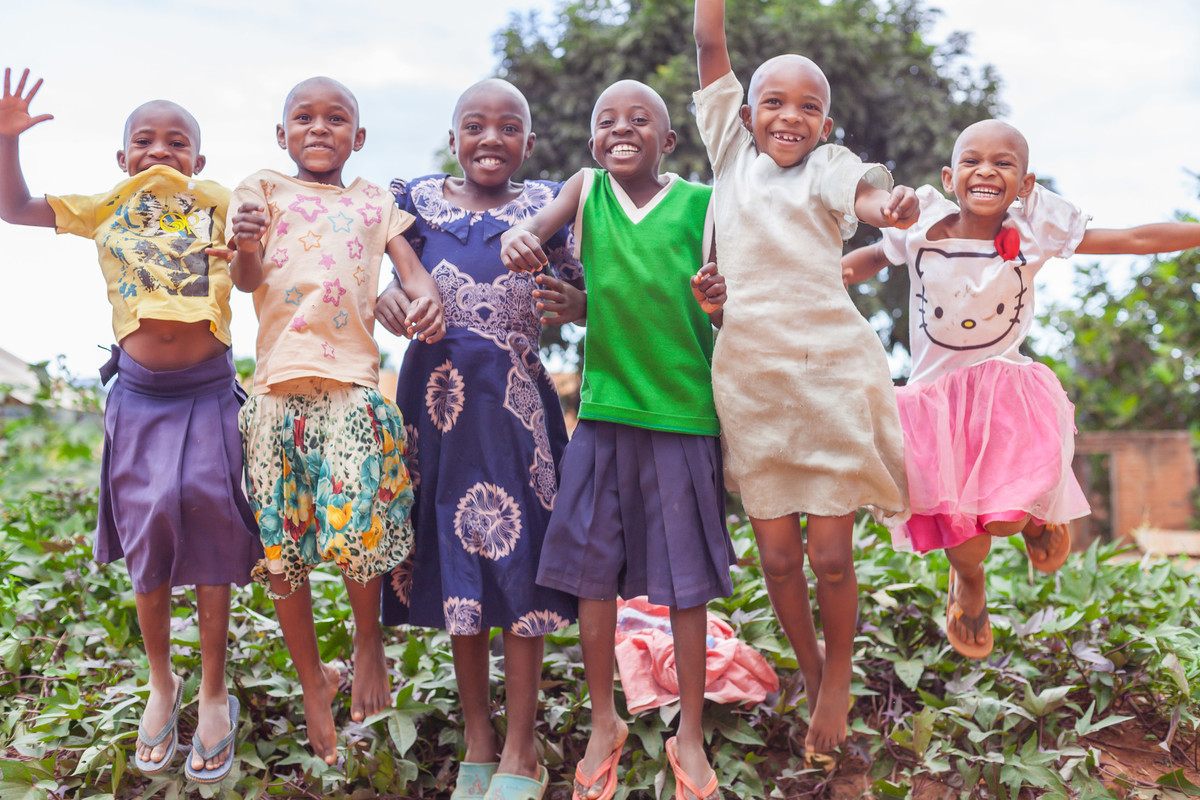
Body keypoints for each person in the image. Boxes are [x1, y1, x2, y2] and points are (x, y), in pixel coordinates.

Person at [842, 118, 1200, 660]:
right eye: (972, 160)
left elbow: (1132, 239)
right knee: (967, 543)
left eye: (1003, 163)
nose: (986, 170)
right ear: (949, 177)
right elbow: (869, 259)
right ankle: (969, 582)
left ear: (1025, 183)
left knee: (1005, 518)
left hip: (1003, 395)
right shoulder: (921, 223)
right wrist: (830, 274)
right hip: (935, 408)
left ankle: (1034, 517)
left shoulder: (1035, 232)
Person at [0, 68, 261, 783]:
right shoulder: (106, 204)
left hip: (209, 391)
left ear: (199, 159)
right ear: (122, 157)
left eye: (177, 142)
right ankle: (161, 683)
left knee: (211, 525)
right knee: (149, 533)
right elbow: (15, 208)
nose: (160, 151)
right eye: (144, 140)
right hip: (141, 398)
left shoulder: (222, 201)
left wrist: (248, 241)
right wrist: (7, 141)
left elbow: (254, 269)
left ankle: (214, 692)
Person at [692, 0, 919, 758]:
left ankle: (839, 671)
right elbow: (709, 40)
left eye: (809, 108)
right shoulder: (729, 156)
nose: (791, 116)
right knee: (780, 559)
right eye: (775, 102)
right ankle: (812, 665)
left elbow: (864, 196)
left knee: (830, 556)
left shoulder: (829, 166)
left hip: (829, 379)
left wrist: (890, 206)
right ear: (745, 115)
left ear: (825, 124)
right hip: (752, 386)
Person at [501, 79, 734, 800]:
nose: (621, 128)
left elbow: (724, 309)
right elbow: (531, 229)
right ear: (593, 140)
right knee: (591, 573)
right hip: (603, 415)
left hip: (684, 415)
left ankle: (689, 731)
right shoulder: (586, 190)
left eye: (640, 119)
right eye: (607, 120)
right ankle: (605, 720)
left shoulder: (704, 205)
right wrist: (520, 240)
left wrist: (720, 306)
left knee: (687, 585)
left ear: (669, 141)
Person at [226, 76, 445, 765]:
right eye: (303, 117)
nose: (319, 128)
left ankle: (367, 637)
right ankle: (314, 684)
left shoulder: (375, 203)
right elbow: (243, 278)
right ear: (282, 133)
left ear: (359, 136)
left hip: (351, 384)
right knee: (282, 550)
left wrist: (425, 300)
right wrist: (244, 244)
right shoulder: (260, 190)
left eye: (336, 118)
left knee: (359, 528)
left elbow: (413, 273)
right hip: (275, 392)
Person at [379, 78, 582, 800]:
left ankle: (522, 748)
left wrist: (575, 301)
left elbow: (589, 295)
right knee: (456, 566)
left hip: (514, 414)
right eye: (474, 125)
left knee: (520, 570)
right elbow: (376, 280)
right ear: (453, 138)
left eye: (508, 127)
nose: (490, 138)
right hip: (432, 412)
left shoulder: (551, 206)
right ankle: (478, 739)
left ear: (529, 142)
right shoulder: (413, 202)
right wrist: (391, 296)